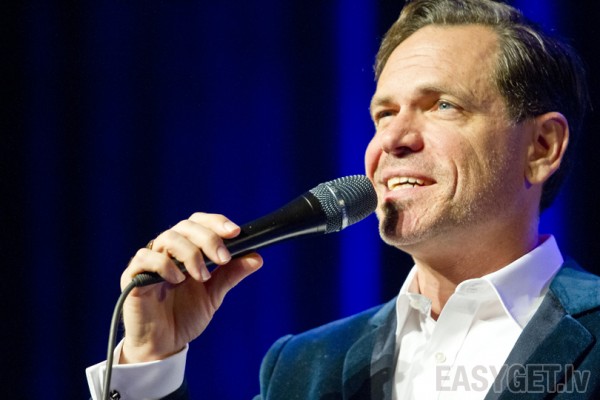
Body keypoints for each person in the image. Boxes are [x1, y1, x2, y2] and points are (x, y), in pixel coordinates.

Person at [87, 0, 600, 398]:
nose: (391, 140)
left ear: (541, 147)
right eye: (384, 114)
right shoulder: (305, 367)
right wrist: (151, 360)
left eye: (443, 105)